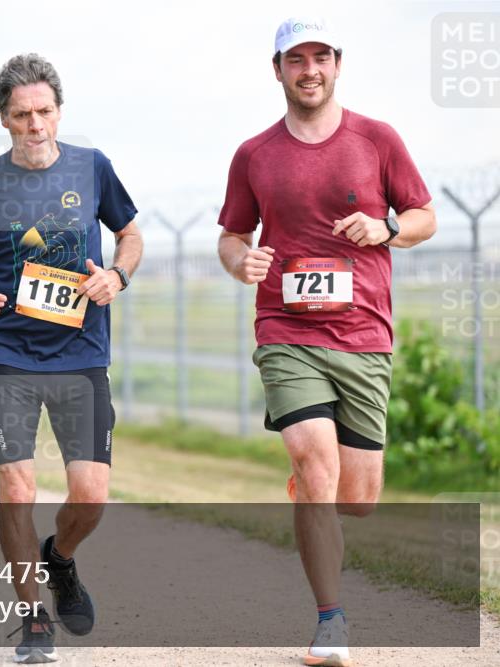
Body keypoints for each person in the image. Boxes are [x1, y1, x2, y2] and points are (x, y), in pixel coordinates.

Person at [217, 17, 436, 667]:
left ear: (337, 64)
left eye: (320, 57)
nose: (308, 68)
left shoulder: (377, 140)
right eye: (295, 59)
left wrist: (387, 226)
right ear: (277, 69)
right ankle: (330, 620)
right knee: (315, 462)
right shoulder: (254, 154)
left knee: (359, 498)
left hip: (364, 333)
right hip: (287, 330)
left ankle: (317, 485)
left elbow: (424, 216)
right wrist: (241, 263)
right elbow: (232, 234)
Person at [0, 54, 142, 664]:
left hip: (81, 353)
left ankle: (62, 559)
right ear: (3, 119)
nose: (36, 125)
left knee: (91, 495)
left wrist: (119, 277)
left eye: (45, 111)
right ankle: (32, 620)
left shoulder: (92, 168)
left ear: (59, 111)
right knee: (17, 490)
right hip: (8, 353)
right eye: (22, 115)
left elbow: (131, 234)